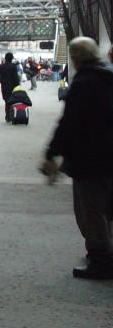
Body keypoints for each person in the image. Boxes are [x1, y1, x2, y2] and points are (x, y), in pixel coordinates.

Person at [40, 37, 113, 279]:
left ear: (75, 58)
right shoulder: (109, 75)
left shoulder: (83, 82)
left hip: (90, 160)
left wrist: (52, 153)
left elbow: (69, 123)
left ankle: (100, 262)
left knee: (91, 212)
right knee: (107, 208)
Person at [0, 52, 20, 121]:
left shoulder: (1, 66)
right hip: (13, 87)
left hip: (4, 87)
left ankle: (7, 116)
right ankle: (11, 115)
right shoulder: (13, 66)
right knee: (12, 101)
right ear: (12, 58)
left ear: (5, 58)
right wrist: (18, 86)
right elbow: (16, 78)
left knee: (7, 101)